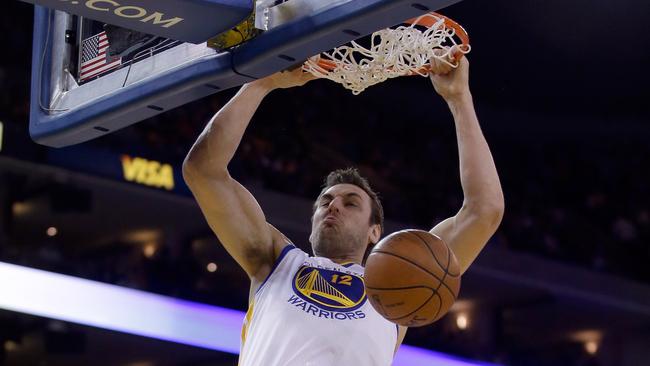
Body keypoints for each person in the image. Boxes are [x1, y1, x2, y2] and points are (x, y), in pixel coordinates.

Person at [182, 49, 504, 365]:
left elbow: (483, 210)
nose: (333, 205)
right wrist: (259, 84)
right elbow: (203, 171)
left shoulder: (396, 286)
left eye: (351, 203)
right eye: (325, 201)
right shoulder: (275, 261)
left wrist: (459, 99)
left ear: (374, 231)